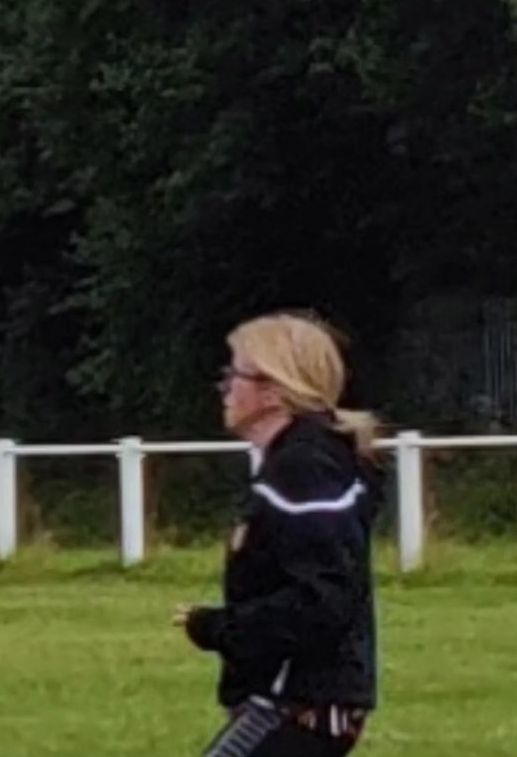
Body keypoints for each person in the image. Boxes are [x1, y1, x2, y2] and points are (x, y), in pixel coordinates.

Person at [173, 311, 384, 757]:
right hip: (289, 701)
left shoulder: (304, 469)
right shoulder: (296, 464)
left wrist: (220, 628)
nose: (225, 387)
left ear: (272, 390)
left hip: (298, 704)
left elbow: (324, 598)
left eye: (235, 373)